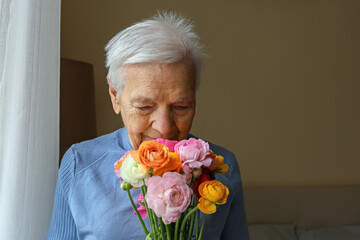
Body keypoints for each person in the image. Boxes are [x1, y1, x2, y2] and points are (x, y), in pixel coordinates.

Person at [47, 12, 249, 240]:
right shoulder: (79, 165)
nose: (164, 127)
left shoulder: (222, 167)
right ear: (115, 96)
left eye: (181, 106)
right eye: (144, 107)